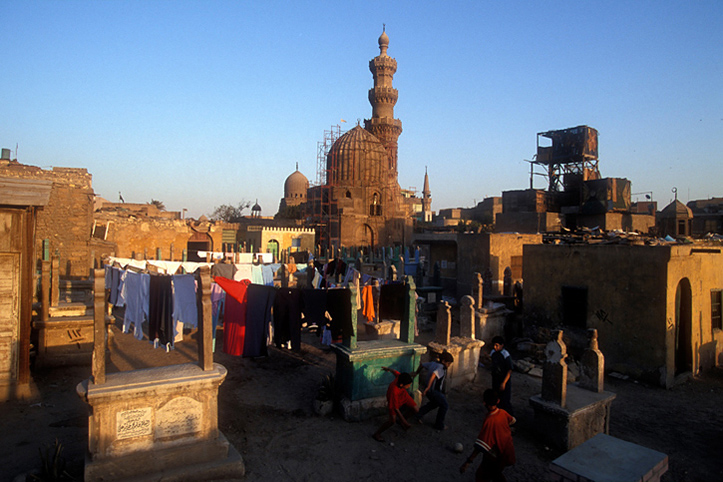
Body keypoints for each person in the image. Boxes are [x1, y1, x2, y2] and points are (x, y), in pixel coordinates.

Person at [460, 389, 516, 482]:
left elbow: (480, 446)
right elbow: (512, 421)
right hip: (508, 451)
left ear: (484, 403)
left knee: (482, 476)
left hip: (496, 455)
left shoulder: (490, 420)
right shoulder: (503, 412)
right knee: (496, 474)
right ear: (498, 401)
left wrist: (468, 462)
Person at [372, 366, 418, 442]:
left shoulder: (400, 378)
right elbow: (396, 409)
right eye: (408, 385)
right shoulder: (394, 391)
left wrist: (388, 369)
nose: (409, 386)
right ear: (401, 385)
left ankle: (401, 422)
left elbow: (395, 372)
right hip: (393, 401)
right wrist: (405, 422)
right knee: (392, 421)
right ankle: (377, 434)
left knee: (416, 409)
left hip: (403, 395)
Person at [415, 350, 454, 430]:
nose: (448, 365)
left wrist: (416, 373)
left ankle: (418, 414)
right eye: (448, 363)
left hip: (430, 391)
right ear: (443, 361)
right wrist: (428, 387)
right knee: (444, 405)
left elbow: (422, 365)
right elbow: (433, 375)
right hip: (434, 391)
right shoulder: (441, 368)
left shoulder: (433, 363)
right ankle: (439, 425)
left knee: (434, 404)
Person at [490, 335, 514, 416]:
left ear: (502, 345)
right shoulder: (493, 352)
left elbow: (509, 370)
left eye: (497, 345)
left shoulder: (505, 354)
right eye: (494, 345)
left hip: (503, 380)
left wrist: (504, 383)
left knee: (505, 400)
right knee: (496, 399)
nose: (495, 347)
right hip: (495, 379)